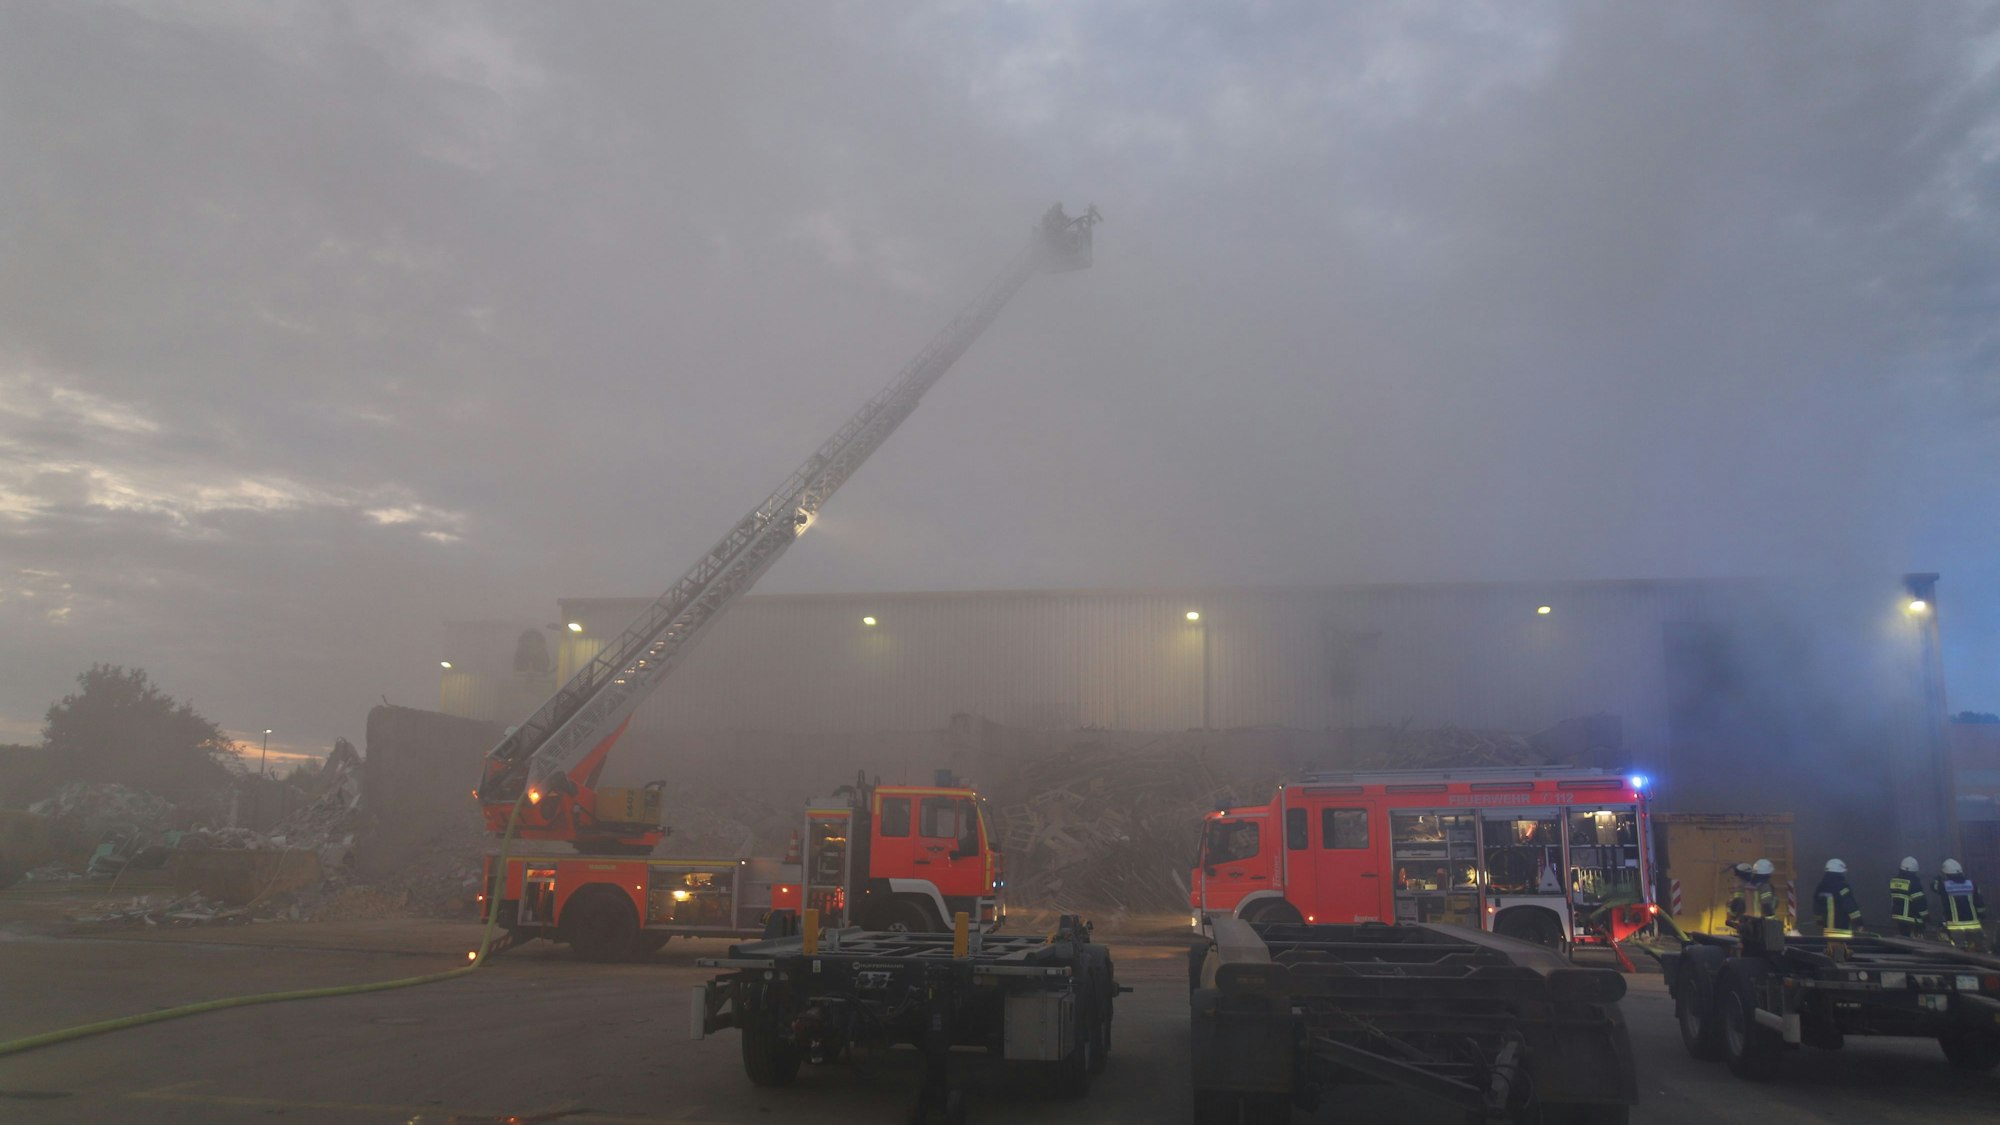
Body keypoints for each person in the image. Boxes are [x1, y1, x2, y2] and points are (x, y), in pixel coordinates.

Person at [1933, 859, 1990, 952]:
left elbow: (1934, 887)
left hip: (1955, 926)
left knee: (1958, 951)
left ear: (1947, 874)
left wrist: (1937, 878)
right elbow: (1979, 902)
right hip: (1973, 925)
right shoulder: (1971, 884)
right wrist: (1981, 914)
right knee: (1978, 950)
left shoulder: (1944, 885)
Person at [1813, 858, 1863, 939]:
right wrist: (1859, 922)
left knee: (1830, 948)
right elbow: (1850, 905)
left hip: (1827, 929)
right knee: (1842, 949)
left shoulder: (1821, 887)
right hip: (1841, 928)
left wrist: (1819, 921)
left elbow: (1816, 906)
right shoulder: (1842, 887)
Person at [1888, 856, 1930, 938]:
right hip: (1912, 918)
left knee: (1903, 939)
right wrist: (1926, 916)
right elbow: (1920, 901)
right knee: (1915, 942)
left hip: (1898, 917)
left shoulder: (1894, 880)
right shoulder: (1914, 882)